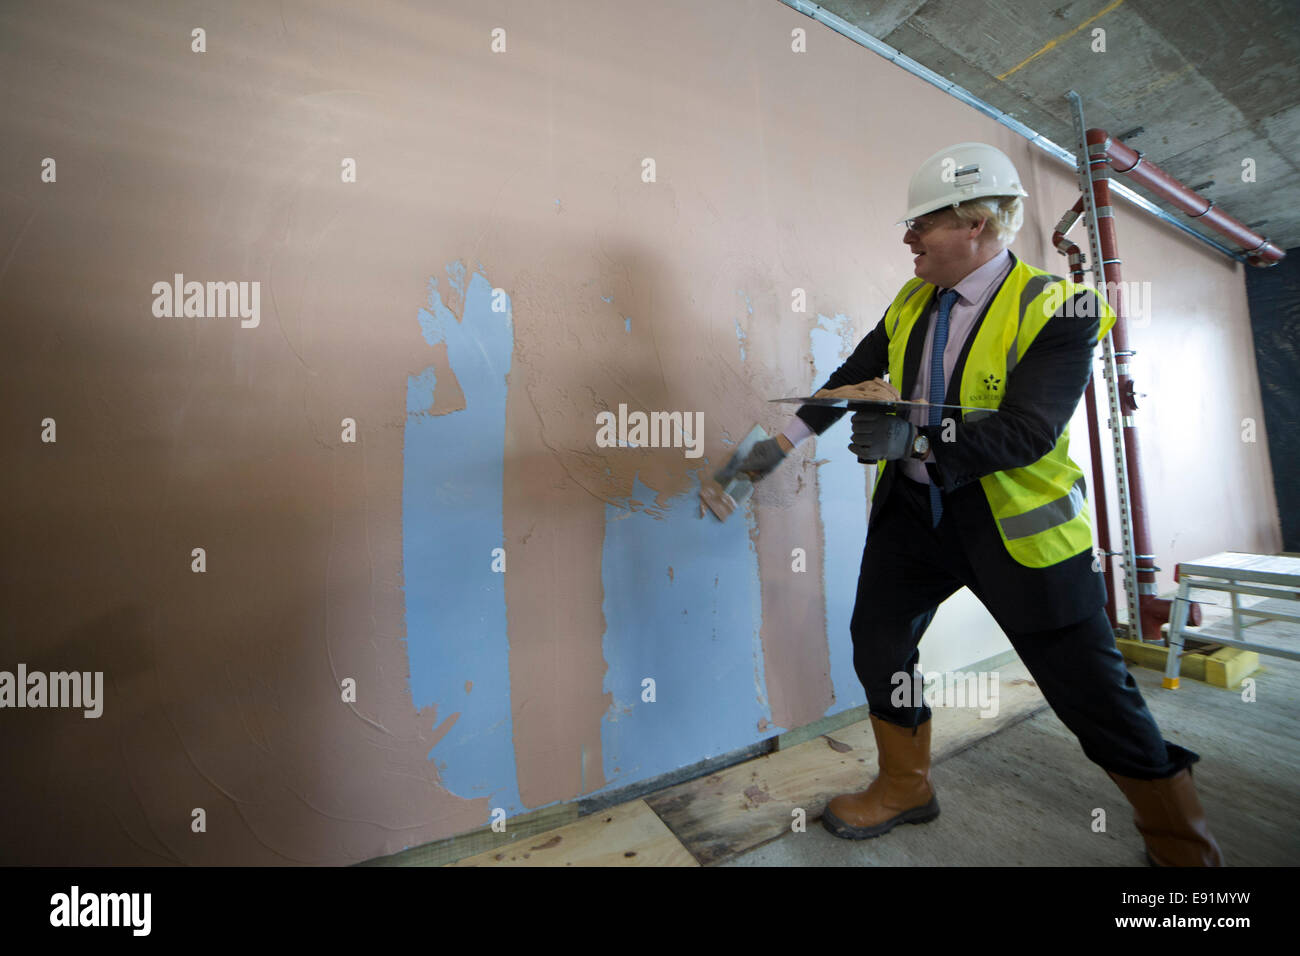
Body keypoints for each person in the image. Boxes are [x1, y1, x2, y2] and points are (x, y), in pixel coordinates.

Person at [710, 142, 1222, 866]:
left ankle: (1180, 840)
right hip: (916, 522)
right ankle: (905, 785)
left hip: (1020, 531)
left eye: (922, 223)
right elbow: (850, 381)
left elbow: (1026, 430)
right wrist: (767, 456)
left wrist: (912, 443)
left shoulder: (1060, 306)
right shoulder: (912, 300)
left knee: (1089, 692)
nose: (908, 238)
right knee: (879, 644)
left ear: (977, 224)